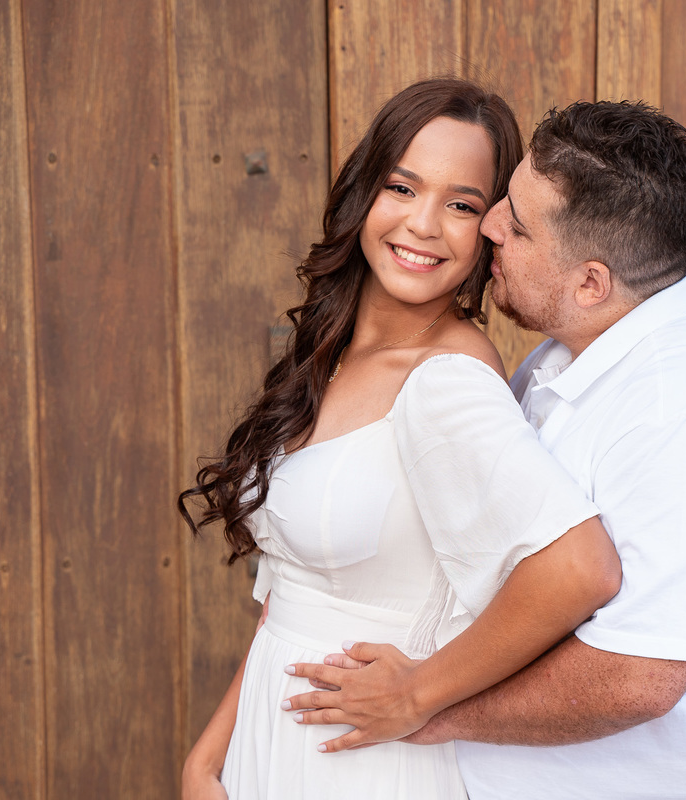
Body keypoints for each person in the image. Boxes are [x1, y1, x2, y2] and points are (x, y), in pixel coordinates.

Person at [287, 100, 686, 799]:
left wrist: (426, 706)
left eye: (516, 221)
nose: (489, 227)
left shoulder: (685, 413)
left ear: (591, 283)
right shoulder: (567, 353)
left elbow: (637, 680)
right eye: (505, 198)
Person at [178, 79, 622, 799]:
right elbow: (289, 594)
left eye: (461, 205)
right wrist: (207, 759)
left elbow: (579, 570)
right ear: (365, 193)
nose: (423, 224)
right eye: (403, 187)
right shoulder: (331, 352)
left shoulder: (447, 380)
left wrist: (419, 693)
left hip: (365, 766)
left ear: (490, 230)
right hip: (271, 746)